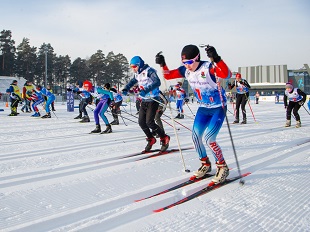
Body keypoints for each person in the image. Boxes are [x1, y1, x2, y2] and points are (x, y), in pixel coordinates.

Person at [155, 44, 231, 184]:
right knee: (195, 137)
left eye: (190, 62)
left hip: (218, 107)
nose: (187, 65)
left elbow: (226, 74)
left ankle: (222, 166)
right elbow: (168, 75)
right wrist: (162, 63)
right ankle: (205, 164)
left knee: (209, 139)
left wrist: (217, 58)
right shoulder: (186, 70)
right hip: (203, 108)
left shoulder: (209, 67)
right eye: (184, 62)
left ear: (197, 58)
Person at [122, 56, 170, 152]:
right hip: (144, 100)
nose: (133, 69)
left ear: (139, 65)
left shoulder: (149, 71)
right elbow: (133, 81)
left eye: (134, 66)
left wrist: (146, 90)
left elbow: (157, 82)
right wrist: (126, 88)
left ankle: (164, 138)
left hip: (153, 100)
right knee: (141, 122)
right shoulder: (138, 73)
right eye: (131, 67)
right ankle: (151, 139)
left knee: (150, 122)